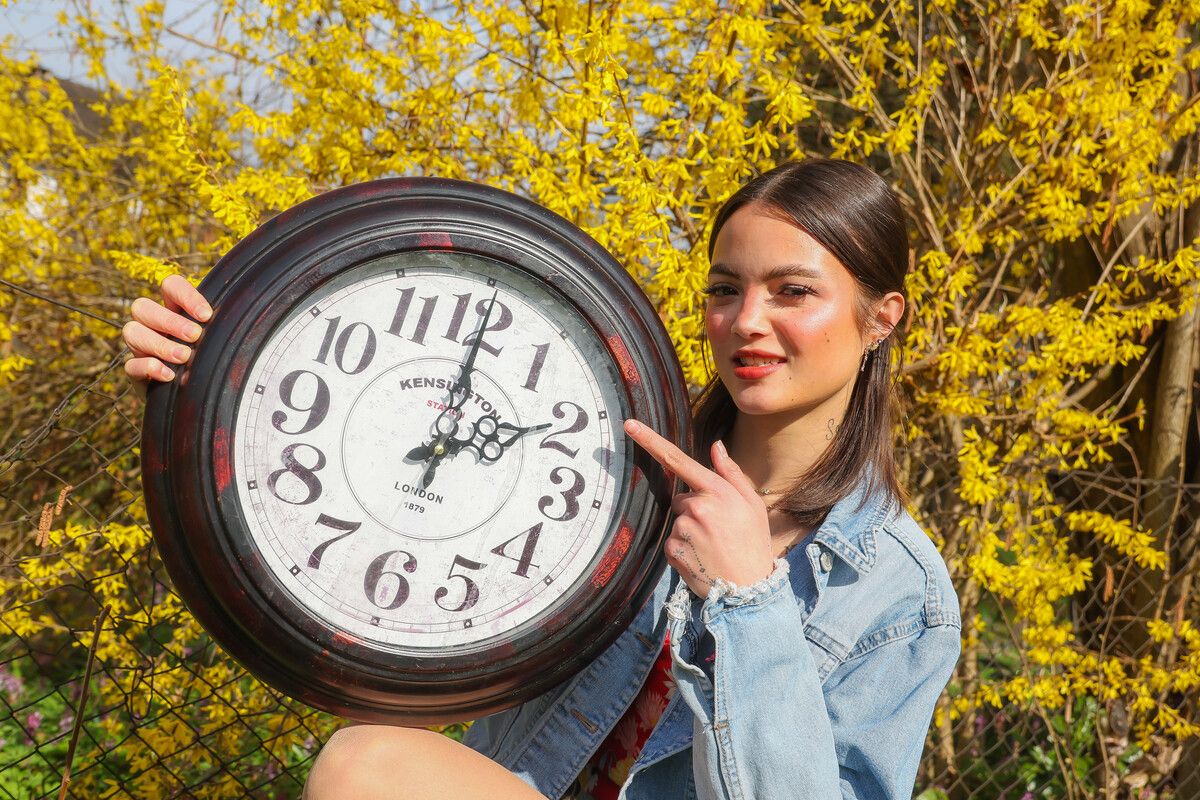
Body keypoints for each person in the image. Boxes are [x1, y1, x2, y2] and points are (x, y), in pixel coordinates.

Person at [123, 158, 960, 800]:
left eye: (793, 292)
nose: (747, 322)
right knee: (369, 762)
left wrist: (751, 601)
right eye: (725, 288)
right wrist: (213, 377)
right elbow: (374, 521)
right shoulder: (609, 467)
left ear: (882, 318)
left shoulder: (895, 590)